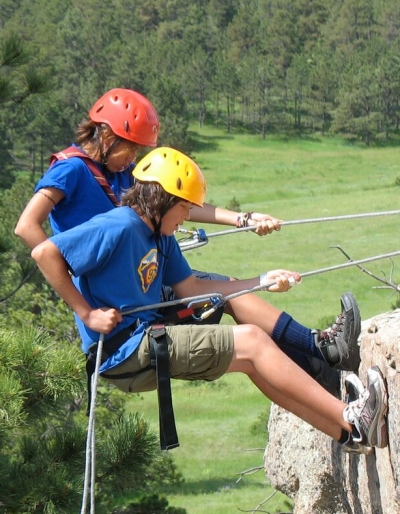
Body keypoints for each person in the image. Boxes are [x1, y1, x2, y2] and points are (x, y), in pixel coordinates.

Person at [30, 147, 388, 456]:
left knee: (244, 342)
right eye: (184, 207)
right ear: (162, 201)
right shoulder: (118, 226)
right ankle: (352, 416)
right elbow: (46, 252)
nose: (188, 215)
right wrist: (87, 314)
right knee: (250, 343)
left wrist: (262, 281)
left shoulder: (160, 235)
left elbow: (192, 289)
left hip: (141, 340)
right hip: (124, 351)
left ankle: (347, 431)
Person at [15, 88, 361, 398]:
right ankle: (320, 353)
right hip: (116, 286)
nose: (134, 158)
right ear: (107, 136)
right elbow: (27, 227)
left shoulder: (120, 171)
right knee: (222, 294)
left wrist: (242, 219)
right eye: (131, 147)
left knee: (225, 290)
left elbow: (171, 200)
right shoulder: (71, 170)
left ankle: (317, 354)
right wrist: (76, 283)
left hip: (143, 272)